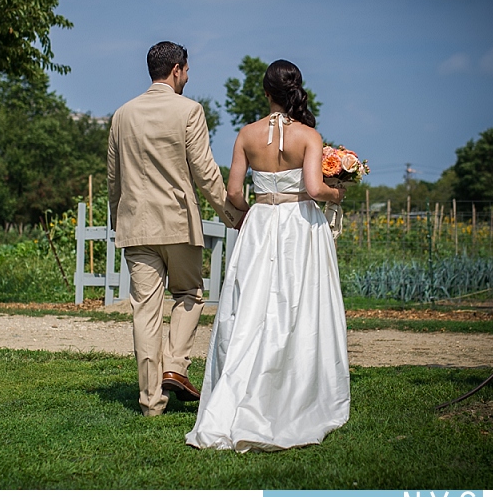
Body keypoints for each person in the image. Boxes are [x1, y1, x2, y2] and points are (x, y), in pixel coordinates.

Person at [185, 59, 350, 451]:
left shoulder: (246, 134)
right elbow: (313, 188)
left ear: (265, 93)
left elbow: (234, 194)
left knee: (252, 303)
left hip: (260, 224)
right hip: (299, 227)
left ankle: (238, 383)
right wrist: (336, 193)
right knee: (298, 302)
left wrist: (247, 214)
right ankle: (294, 383)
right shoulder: (309, 135)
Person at [107, 41, 235, 417]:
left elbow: (114, 179)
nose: (189, 76)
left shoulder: (122, 114)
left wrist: (119, 220)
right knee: (190, 294)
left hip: (136, 226)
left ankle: (150, 402)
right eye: (188, 70)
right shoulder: (189, 110)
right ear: (177, 69)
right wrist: (232, 214)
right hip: (178, 223)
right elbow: (205, 172)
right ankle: (176, 366)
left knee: (144, 312)